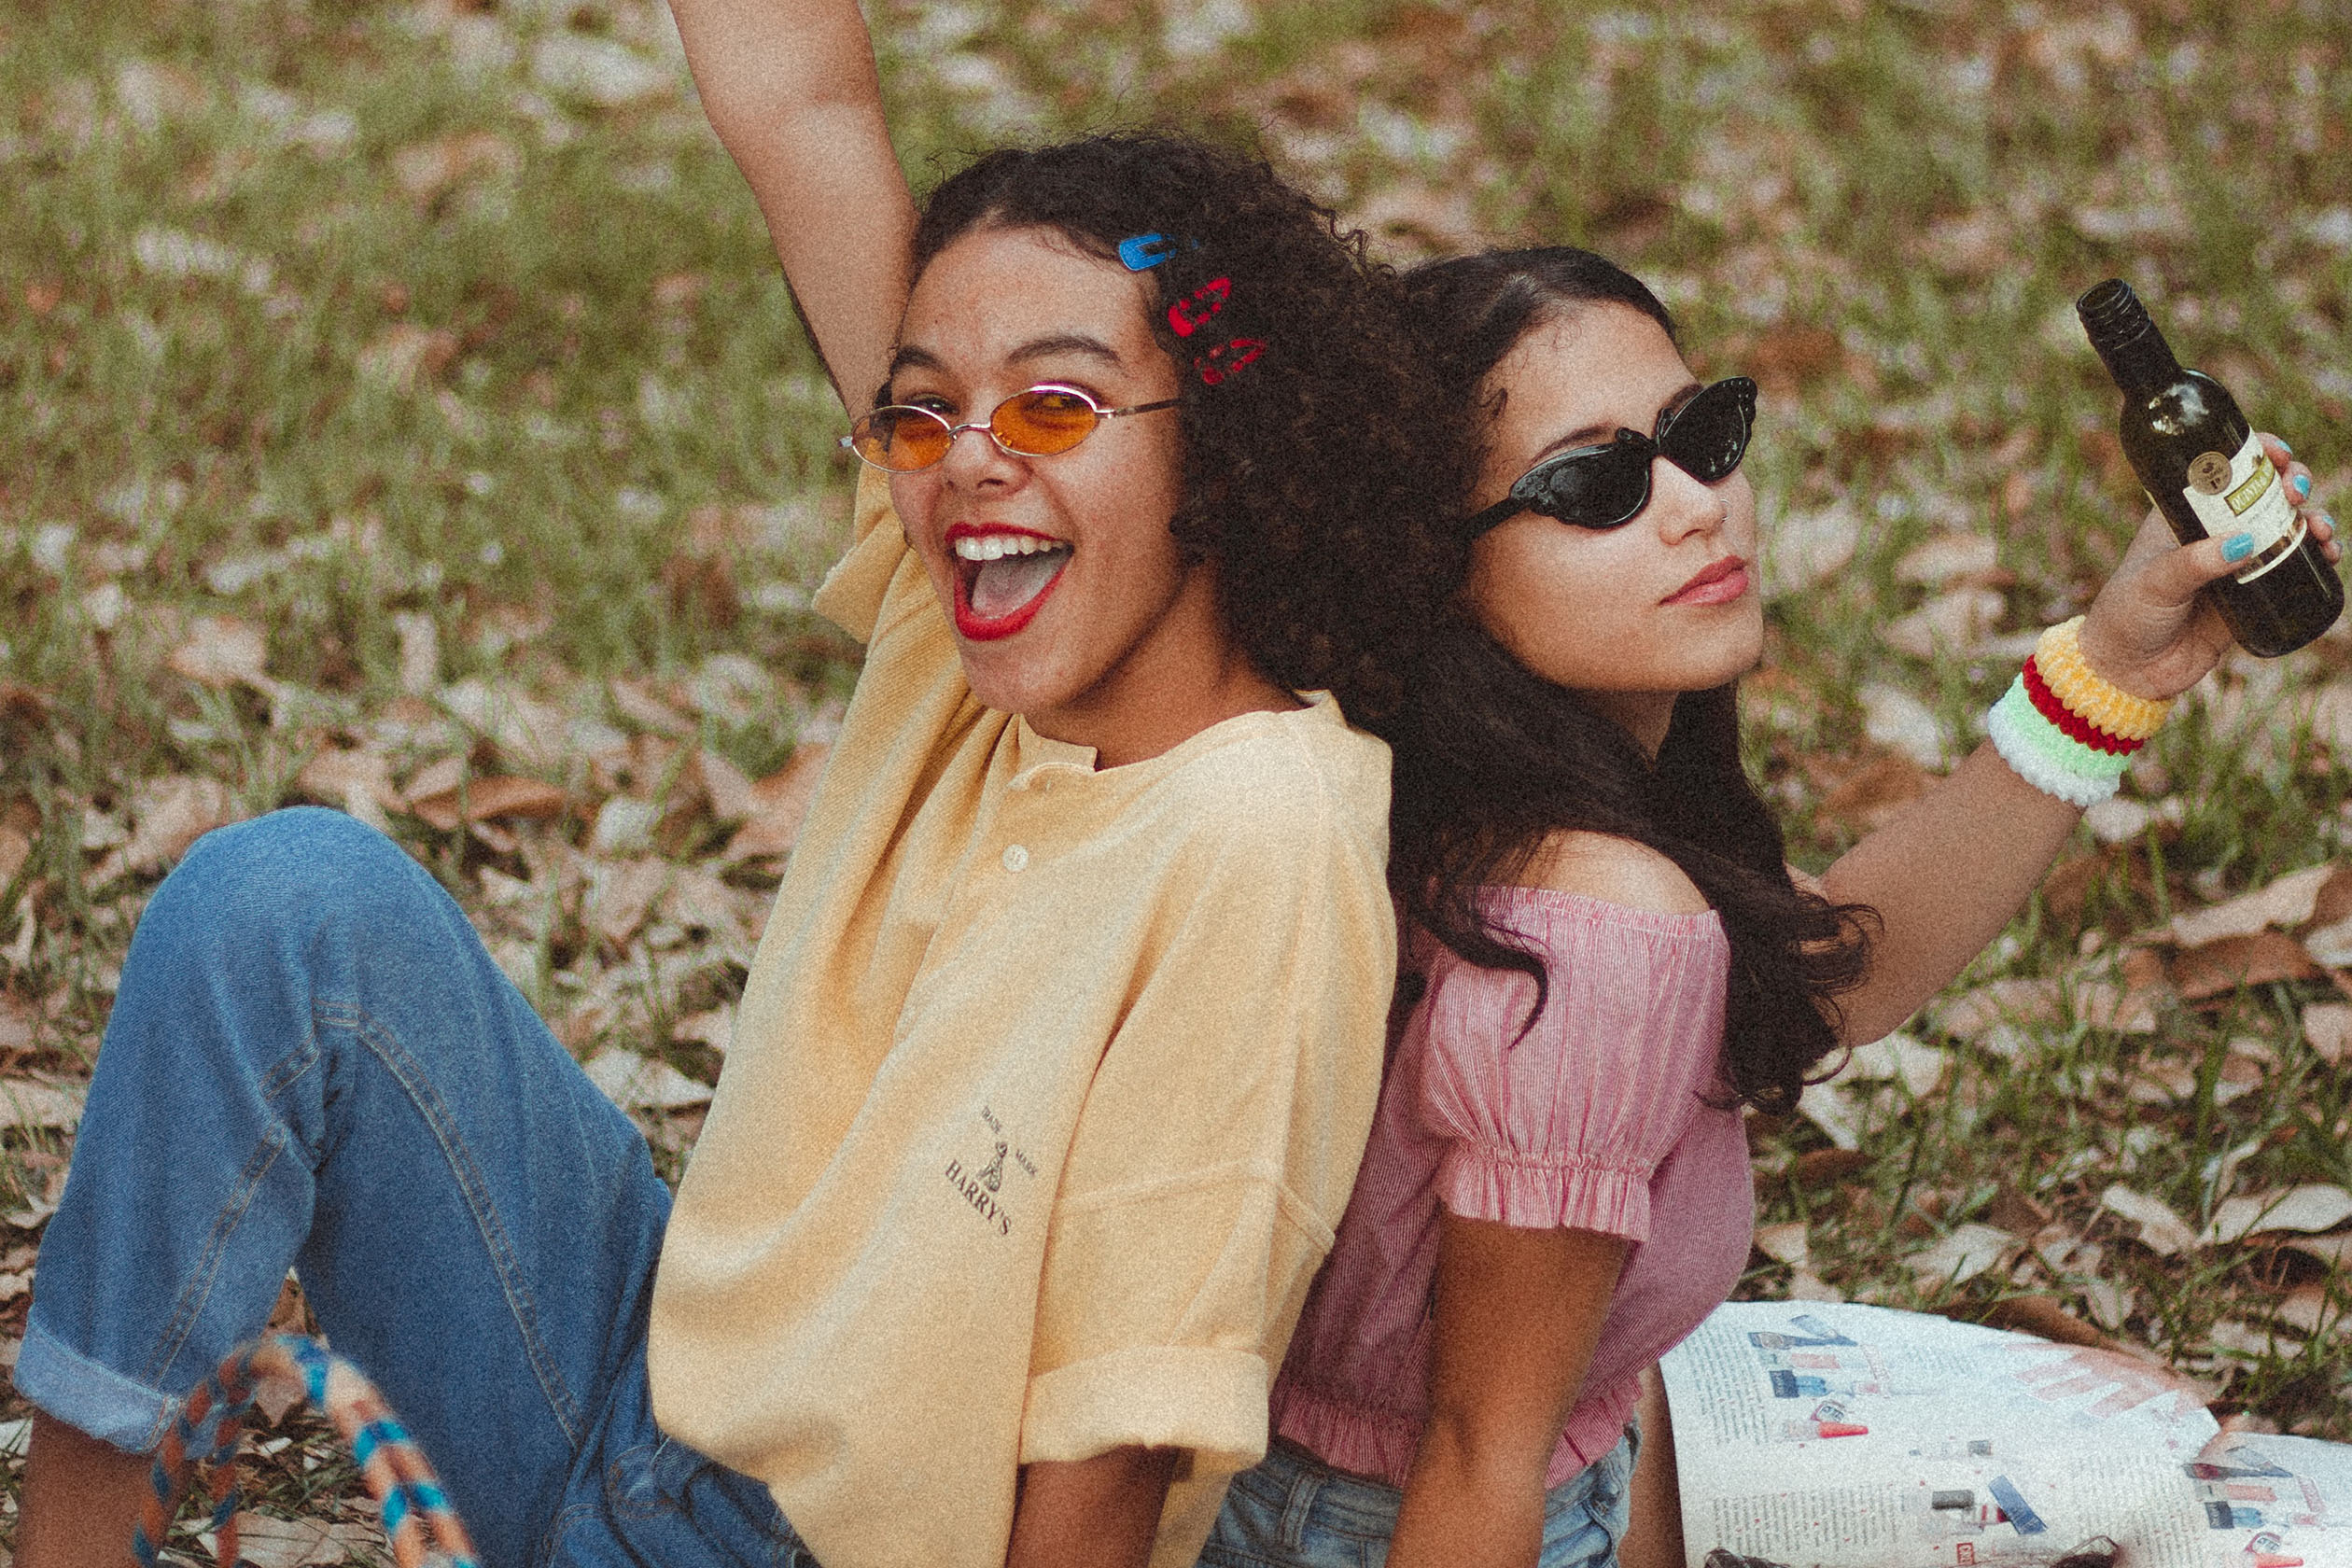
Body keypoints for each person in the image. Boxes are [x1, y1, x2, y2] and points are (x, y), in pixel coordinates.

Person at [10, 15, 1472, 1568]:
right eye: (922, 412)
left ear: (1229, 451)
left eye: (1056, 406)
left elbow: (1116, 1432)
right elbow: (800, 104)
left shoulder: (1257, 833)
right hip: (640, 1388)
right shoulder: (967, 627)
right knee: (286, 906)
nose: (970, 461)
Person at [1194, 245, 2339, 1568]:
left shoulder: (1466, 804)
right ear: (1428, 568)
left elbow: (1832, 973)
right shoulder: (1592, 926)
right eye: (1595, 483)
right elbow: (1477, 1460)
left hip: (1469, 1466)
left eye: (1702, 435)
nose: (1696, 507)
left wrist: (2114, 668)